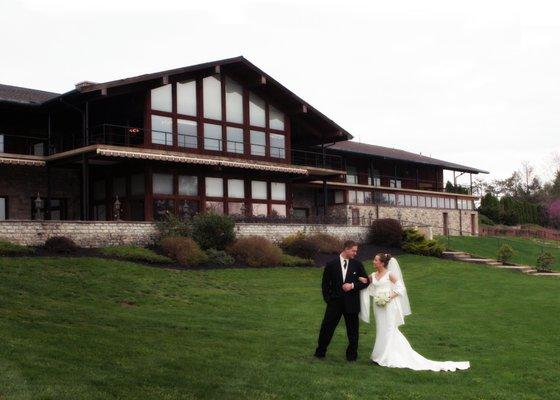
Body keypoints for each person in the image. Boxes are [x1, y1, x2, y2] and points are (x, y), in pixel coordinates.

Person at [359, 253, 470, 371]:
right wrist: (356, 279)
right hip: (378, 307)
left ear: (382, 263)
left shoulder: (389, 274)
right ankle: (380, 354)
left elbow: (400, 287)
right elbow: (366, 281)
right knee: (381, 329)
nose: (373, 261)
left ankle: (387, 356)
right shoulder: (373, 275)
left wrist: (389, 296)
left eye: (376, 260)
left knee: (389, 329)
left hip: (389, 305)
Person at [314, 240, 369, 361]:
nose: (355, 253)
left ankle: (352, 356)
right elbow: (325, 284)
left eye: (356, 251)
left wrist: (352, 285)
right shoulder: (331, 264)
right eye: (353, 251)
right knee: (327, 328)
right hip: (334, 303)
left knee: (353, 330)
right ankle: (320, 353)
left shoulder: (357, 265)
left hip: (352, 303)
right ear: (346, 249)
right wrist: (328, 299)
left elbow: (366, 282)